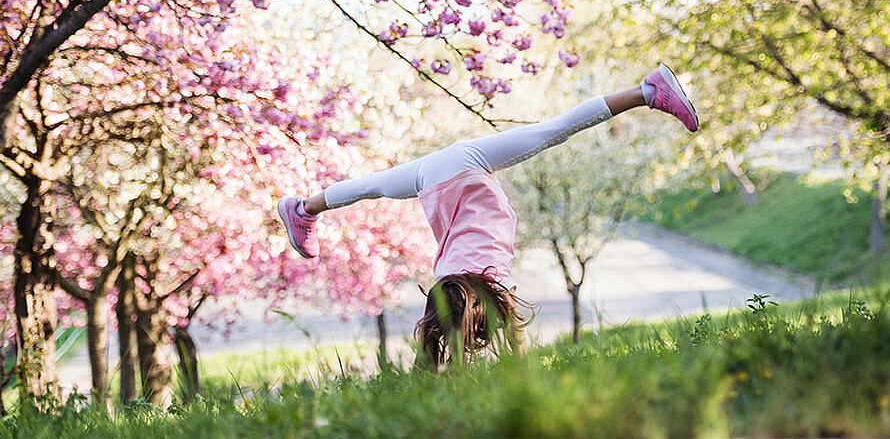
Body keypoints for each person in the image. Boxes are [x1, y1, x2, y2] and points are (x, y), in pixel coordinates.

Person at [278, 63, 698, 368]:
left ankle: (649, 91)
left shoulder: (495, 276)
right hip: (431, 177)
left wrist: (517, 367)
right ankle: (305, 207)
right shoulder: (443, 282)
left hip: (463, 165)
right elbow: (442, 323)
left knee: (554, 131)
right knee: (372, 185)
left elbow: (516, 341)